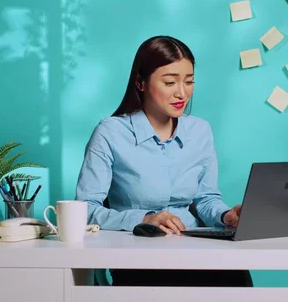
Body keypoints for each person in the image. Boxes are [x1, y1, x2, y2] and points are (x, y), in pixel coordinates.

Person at [75, 35, 253, 287]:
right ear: (140, 82)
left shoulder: (200, 131)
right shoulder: (111, 132)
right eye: (170, 82)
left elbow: (206, 199)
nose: (182, 92)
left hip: (196, 249)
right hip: (137, 254)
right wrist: (144, 219)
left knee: (235, 275)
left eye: (189, 82)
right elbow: (85, 210)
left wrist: (226, 216)